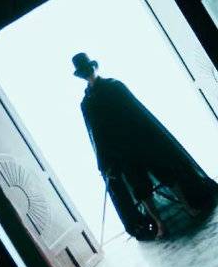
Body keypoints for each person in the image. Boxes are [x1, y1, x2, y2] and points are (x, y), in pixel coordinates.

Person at [72, 52, 218, 240]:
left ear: (94, 67)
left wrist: (151, 137)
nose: (88, 72)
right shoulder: (87, 103)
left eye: (88, 68)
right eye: (84, 71)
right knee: (140, 187)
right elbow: (96, 134)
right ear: (81, 75)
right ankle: (159, 224)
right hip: (120, 152)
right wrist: (104, 161)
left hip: (140, 140)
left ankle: (188, 207)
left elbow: (137, 112)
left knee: (166, 173)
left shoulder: (115, 86)